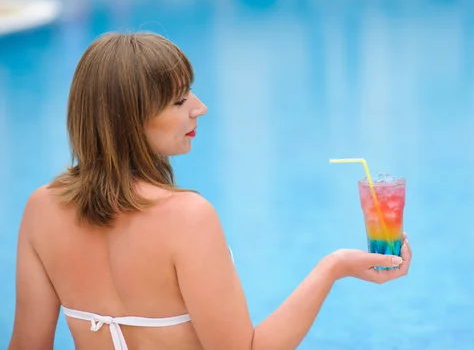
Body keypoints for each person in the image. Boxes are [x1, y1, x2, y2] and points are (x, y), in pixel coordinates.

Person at [8, 32, 412, 350]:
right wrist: (333, 267)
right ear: (131, 119)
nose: (199, 107)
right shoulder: (187, 217)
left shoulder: (41, 208)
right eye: (179, 99)